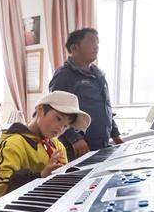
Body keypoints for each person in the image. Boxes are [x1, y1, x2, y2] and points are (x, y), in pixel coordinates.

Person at [0, 91, 90, 199]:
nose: (60, 129)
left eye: (66, 126)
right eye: (58, 119)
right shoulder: (12, 144)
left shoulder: (57, 146)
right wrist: (40, 175)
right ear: (40, 110)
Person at [49, 28, 122, 160]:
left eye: (97, 42)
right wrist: (75, 139)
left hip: (101, 146)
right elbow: (56, 111)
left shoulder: (99, 75)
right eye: (91, 41)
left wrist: (116, 135)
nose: (97, 46)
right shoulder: (64, 75)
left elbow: (106, 108)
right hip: (77, 149)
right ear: (75, 47)